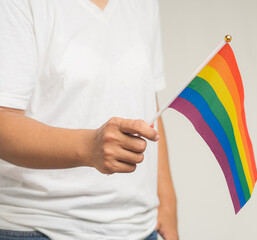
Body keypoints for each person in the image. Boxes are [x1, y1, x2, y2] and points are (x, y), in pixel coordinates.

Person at [0, 0, 178, 239]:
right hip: (43, 226)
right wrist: (89, 146)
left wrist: (167, 202)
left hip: (140, 228)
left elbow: (147, 100)